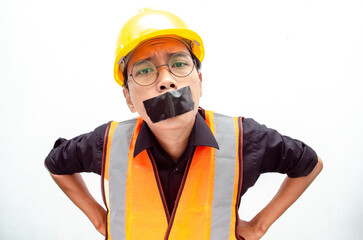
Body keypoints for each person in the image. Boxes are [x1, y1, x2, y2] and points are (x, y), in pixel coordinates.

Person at [45, 8, 323, 240]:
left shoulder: (243, 139)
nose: (166, 80)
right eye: (144, 70)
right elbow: (56, 163)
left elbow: (308, 163)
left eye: (179, 64)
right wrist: (98, 219)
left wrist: (259, 226)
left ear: (199, 83)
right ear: (129, 98)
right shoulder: (107, 143)